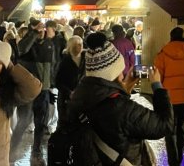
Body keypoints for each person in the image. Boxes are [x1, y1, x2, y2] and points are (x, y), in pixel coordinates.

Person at [65, 32, 174, 165]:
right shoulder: (122, 109)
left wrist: (124, 90)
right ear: (115, 72)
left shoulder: (78, 98)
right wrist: (157, 86)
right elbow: (164, 125)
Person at [154, 26, 184, 166]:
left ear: (171, 37)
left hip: (169, 97)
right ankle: (180, 157)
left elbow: (158, 77)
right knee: (181, 127)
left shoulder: (162, 55)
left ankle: (172, 160)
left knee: (170, 128)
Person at [14, 18, 56, 160]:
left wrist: (50, 85)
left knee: (41, 122)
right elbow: (21, 48)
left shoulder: (49, 44)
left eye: (42, 28)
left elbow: (52, 65)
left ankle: (36, 149)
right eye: (38, 28)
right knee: (24, 120)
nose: (41, 31)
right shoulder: (27, 44)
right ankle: (12, 148)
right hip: (29, 89)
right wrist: (33, 33)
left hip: (43, 90)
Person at [55, 35, 85, 121]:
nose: (79, 46)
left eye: (80, 44)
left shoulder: (85, 59)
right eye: (76, 44)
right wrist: (69, 92)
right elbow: (58, 81)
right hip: (66, 98)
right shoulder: (64, 61)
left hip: (81, 97)